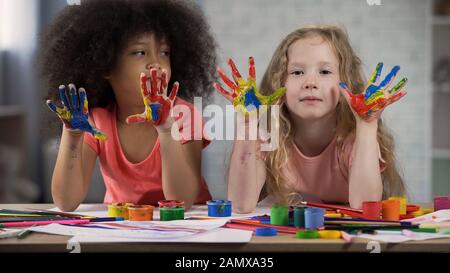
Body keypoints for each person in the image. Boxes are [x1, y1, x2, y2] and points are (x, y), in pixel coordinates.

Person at [42, 0, 217, 211]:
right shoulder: (97, 120)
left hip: (187, 226)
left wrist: (167, 129)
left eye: (165, 52)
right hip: (124, 230)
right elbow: (66, 202)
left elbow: (182, 201)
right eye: (140, 52)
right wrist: (72, 137)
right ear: (106, 65)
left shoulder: (184, 115)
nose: (156, 63)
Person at [216, 26, 407, 212]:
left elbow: (365, 206)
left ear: (346, 84)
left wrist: (367, 125)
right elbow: (241, 204)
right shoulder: (267, 135)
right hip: (284, 241)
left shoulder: (352, 138)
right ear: (280, 83)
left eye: (325, 72)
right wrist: (248, 124)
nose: (310, 83)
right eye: (297, 72)